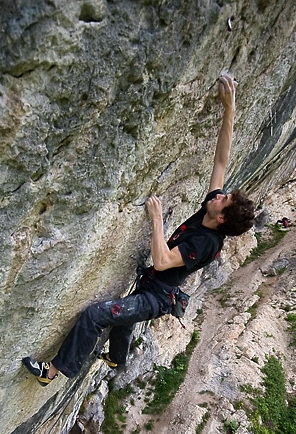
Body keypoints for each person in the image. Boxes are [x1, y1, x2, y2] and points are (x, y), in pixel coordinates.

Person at [23, 72, 255, 386]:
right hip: (153, 285)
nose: (220, 194)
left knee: (96, 315)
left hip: (156, 298)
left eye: (224, 199)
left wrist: (157, 219)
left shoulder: (206, 242)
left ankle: (52, 373)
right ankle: (118, 357)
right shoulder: (212, 209)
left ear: (222, 218)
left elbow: (161, 261)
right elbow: (220, 163)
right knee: (124, 320)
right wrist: (230, 109)